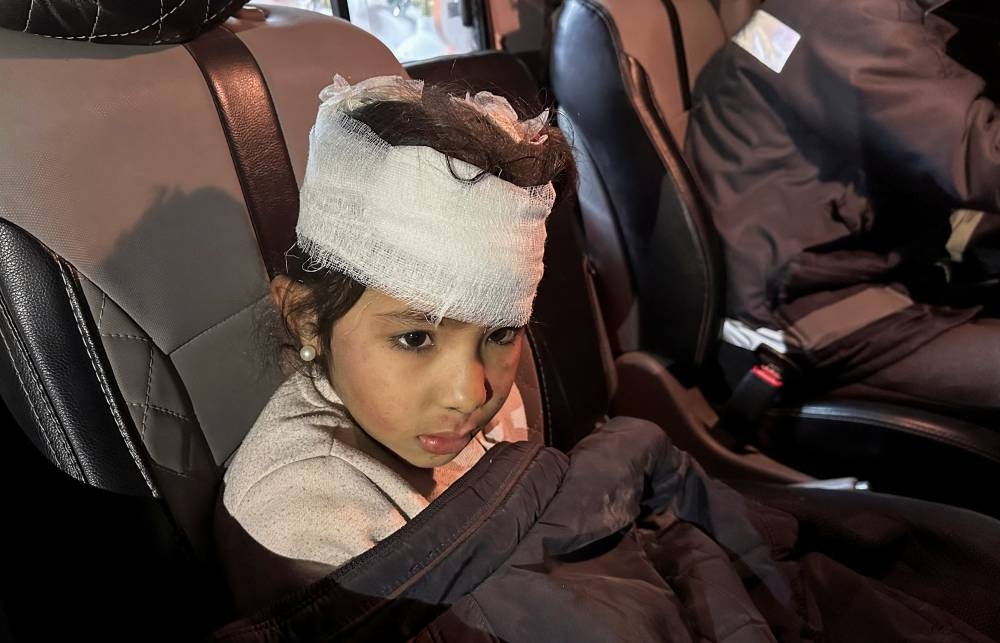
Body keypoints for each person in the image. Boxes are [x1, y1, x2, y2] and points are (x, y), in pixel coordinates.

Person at [213, 75, 1000, 642]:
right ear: (306, 315)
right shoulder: (302, 508)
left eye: (498, 333)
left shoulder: (457, 396)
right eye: (414, 337)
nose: (472, 390)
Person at [685, 0, 1000, 412]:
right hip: (814, 310)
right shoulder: (855, 18)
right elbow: (983, 159)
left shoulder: (818, 10)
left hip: (816, 271)